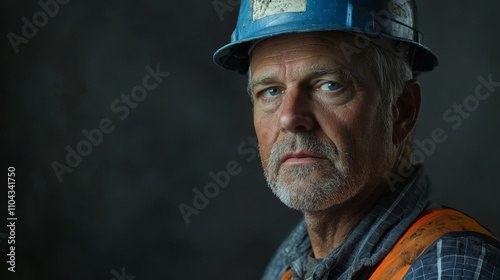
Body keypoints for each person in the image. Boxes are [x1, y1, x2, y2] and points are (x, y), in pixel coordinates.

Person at [213, 0, 500, 279]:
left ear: (402, 111)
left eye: (330, 85)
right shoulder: (287, 267)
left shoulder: (450, 267)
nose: (290, 117)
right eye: (271, 91)